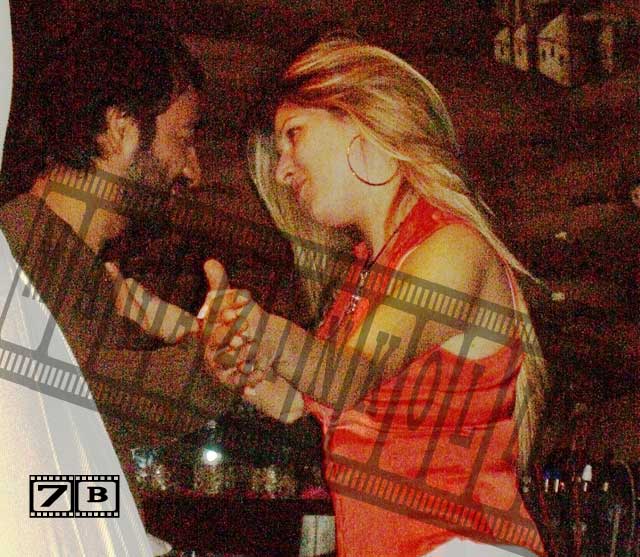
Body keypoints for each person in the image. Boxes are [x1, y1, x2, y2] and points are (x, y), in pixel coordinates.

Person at [200, 38, 550, 556]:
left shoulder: (451, 248)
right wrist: (239, 359)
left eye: (294, 135)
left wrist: (266, 333)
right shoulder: (366, 273)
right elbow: (296, 401)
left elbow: (346, 377)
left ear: (361, 120)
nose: (282, 170)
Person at [0, 8, 237, 554]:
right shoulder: (25, 250)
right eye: (183, 138)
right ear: (120, 131)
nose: (192, 170)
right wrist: (215, 360)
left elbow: (53, 479)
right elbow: (91, 400)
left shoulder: (60, 253)